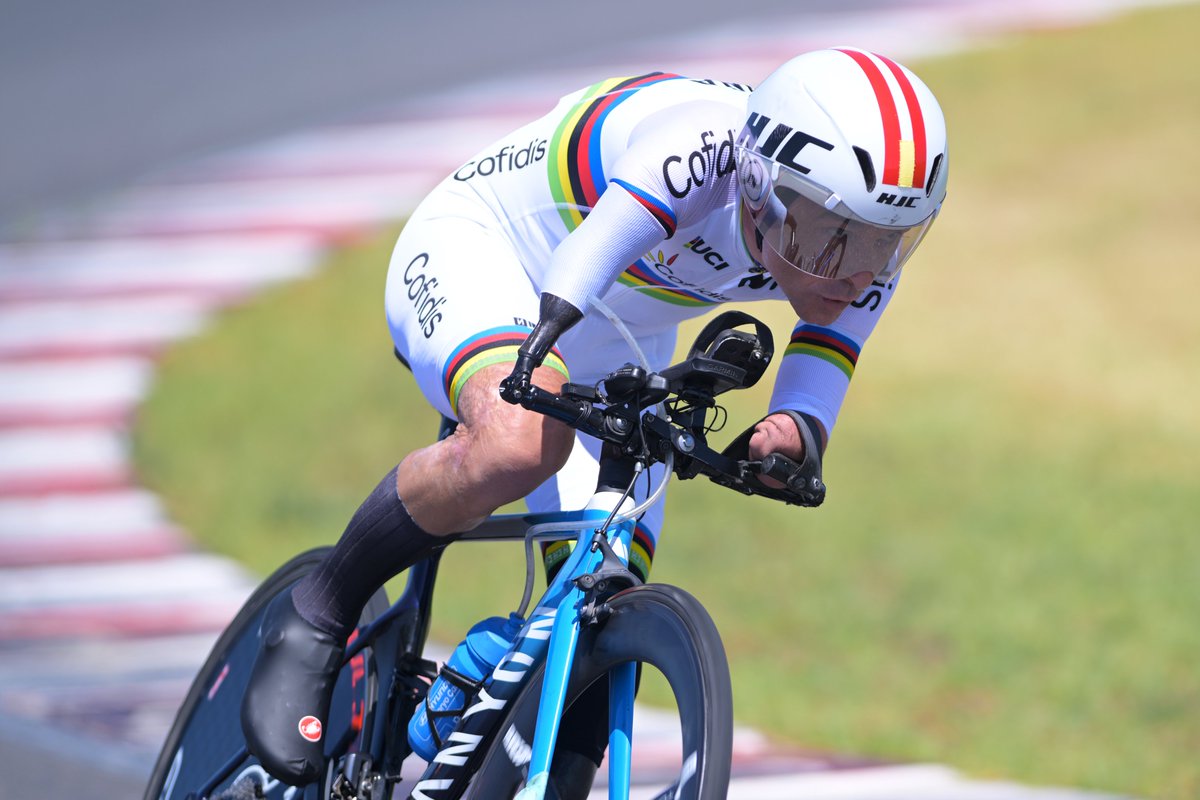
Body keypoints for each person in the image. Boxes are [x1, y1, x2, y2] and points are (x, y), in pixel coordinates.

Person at [240, 46, 948, 788]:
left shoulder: (863, 243)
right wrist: (535, 375)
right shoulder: (697, 146)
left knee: (598, 615)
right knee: (518, 447)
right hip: (492, 255)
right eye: (835, 236)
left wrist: (795, 436)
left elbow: (820, 373)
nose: (859, 270)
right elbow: (584, 257)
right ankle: (317, 611)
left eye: (885, 242)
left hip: (614, 326)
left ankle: (486, 714)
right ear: (758, 186)